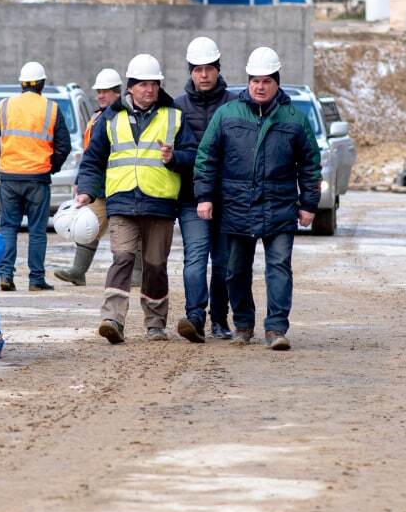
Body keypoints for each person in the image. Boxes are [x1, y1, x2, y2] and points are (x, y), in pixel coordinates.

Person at [193, 47, 320, 351]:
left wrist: (308, 204)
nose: (260, 86)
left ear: (278, 82)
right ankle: (243, 324)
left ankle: (276, 328)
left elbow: (311, 164)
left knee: (278, 266)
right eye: (255, 81)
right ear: (248, 82)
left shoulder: (294, 119)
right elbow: (206, 157)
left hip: (279, 206)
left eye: (266, 81)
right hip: (237, 206)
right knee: (235, 269)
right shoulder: (227, 115)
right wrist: (205, 197)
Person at [76, 53, 196, 344]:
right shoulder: (111, 118)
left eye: (154, 84)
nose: (149, 90)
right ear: (130, 86)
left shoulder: (174, 116)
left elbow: (193, 155)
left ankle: (155, 324)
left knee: (155, 265)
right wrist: (87, 191)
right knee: (123, 258)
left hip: (160, 203)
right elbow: (93, 159)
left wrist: (174, 157)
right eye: (143, 84)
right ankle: (112, 319)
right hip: (122, 201)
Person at [0, 61, 72, 292]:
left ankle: (5, 275)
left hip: (10, 177)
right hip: (38, 178)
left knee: (8, 227)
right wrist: (51, 167)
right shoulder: (51, 108)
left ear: (21, 84)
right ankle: (36, 280)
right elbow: (64, 145)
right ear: (42, 84)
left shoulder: (4, 106)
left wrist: (1, 163)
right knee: (36, 230)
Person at [173, 36, 234, 344]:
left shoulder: (235, 105)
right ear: (191, 72)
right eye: (198, 69)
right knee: (195, 259)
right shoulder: (176, 107)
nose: (204, 75)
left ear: (218, 69)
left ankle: (220, 319)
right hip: (190, 199)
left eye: (209, 68)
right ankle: (194, 316)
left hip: (227, 199)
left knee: (223, 262)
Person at [54, 68, 122, 286]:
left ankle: (137, 276)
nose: (100, 95)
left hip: (121, 184)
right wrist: (81, 182)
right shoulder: (98, 117)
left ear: (117, 93)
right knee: (88, 224)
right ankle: (78, 271)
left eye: (106, 91)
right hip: (99, 186)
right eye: (99, 91)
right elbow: (90, 155)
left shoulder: (122, 118)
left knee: (131, 230)